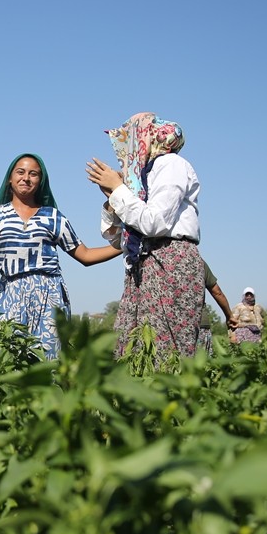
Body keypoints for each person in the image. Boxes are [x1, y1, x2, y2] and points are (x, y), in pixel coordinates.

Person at [0, 153, 121, 359]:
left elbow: (85, 255)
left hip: (49, 296)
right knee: (5, 359)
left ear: (40, 181)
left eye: (33, 174)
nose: (26, 178)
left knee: (48, 362)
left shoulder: (53, 217)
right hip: (9, 295)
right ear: (9, 179)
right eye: (20, 172)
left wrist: (125, 246)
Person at [86, 112, 203, 365]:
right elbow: (116, 239)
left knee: (166, 353)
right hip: (145, 265)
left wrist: (119, 189)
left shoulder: (170, 165)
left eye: (130, 138)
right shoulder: (143, 179)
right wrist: (113, 196)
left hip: (169, 263)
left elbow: (153, 222)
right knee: (132, 348)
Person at [198, 258, 234, 354]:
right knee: (201, 361)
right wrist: (229, 316)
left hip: (169, 326)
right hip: (199, 323)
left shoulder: (162, 259)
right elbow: (217, 292)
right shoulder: (198, 261)